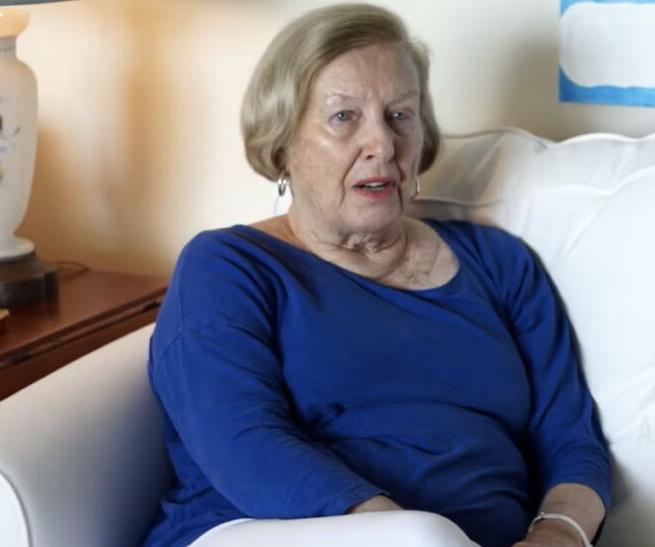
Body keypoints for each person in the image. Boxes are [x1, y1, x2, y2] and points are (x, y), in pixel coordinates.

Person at [143, 4, 610, 547]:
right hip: (271, 532)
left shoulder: (501, 264)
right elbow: (241, 441)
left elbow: (570, 438)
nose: (383, 144)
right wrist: (399, 531)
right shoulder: (230, 266)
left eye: (400, 115)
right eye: (344, 117)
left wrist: (559, 533)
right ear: (282, 143)